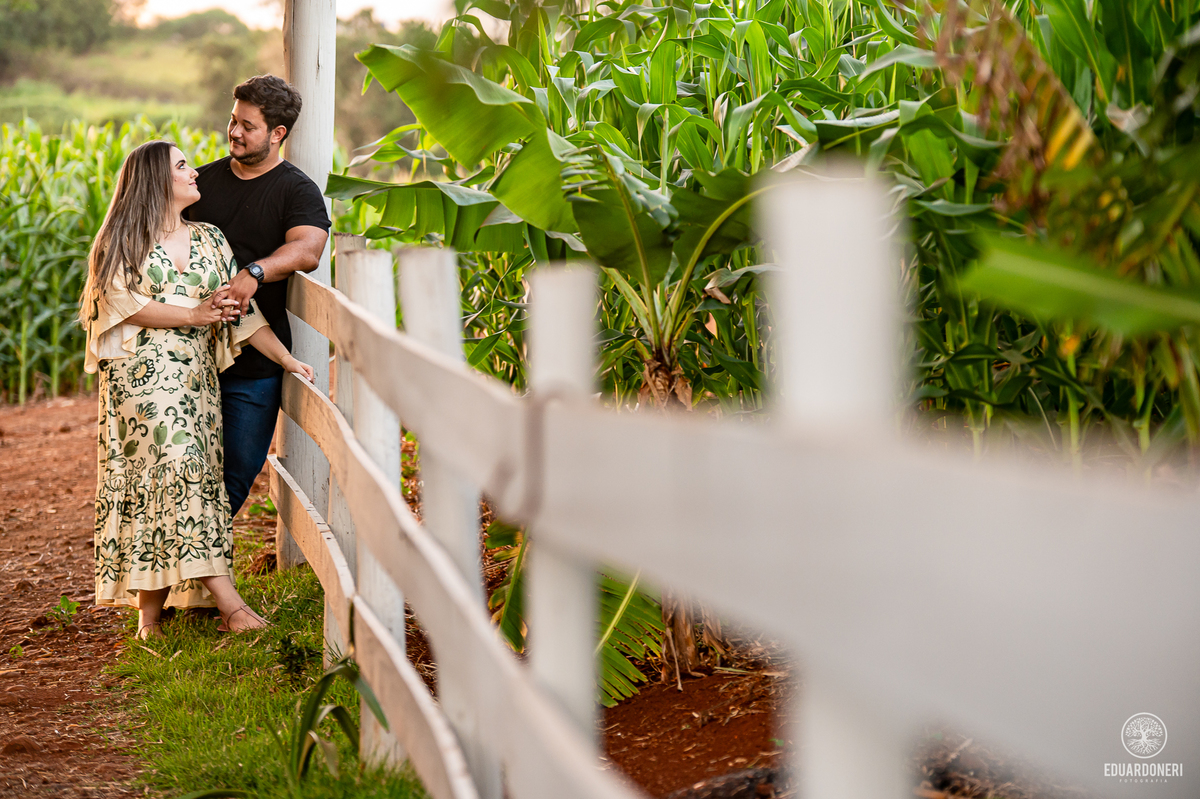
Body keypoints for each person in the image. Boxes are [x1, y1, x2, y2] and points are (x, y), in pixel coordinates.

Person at [81, 140, 316, 640]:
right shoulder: (120, 240)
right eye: (182, 165)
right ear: (154, 182)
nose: (194, 172)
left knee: (170, 482)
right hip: (140, 377)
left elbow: (242, 313)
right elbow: (118, 303)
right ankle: (231, 606)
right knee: (178, 469)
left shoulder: (211, 238)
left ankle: (149, 617)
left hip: (195, 380)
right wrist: (192, 314)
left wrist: (288, 359)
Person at [184, 74, 331, 520]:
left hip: (254, 365)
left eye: (248, 125)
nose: (234, 131)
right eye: (233, 121)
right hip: (191, 357)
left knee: (234, 479)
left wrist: (256, 271)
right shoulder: (199, 184)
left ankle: (196, 579)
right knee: (183, 474)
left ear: (277, 133)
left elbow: (308, 249)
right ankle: (180, 584)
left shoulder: (295, 189)